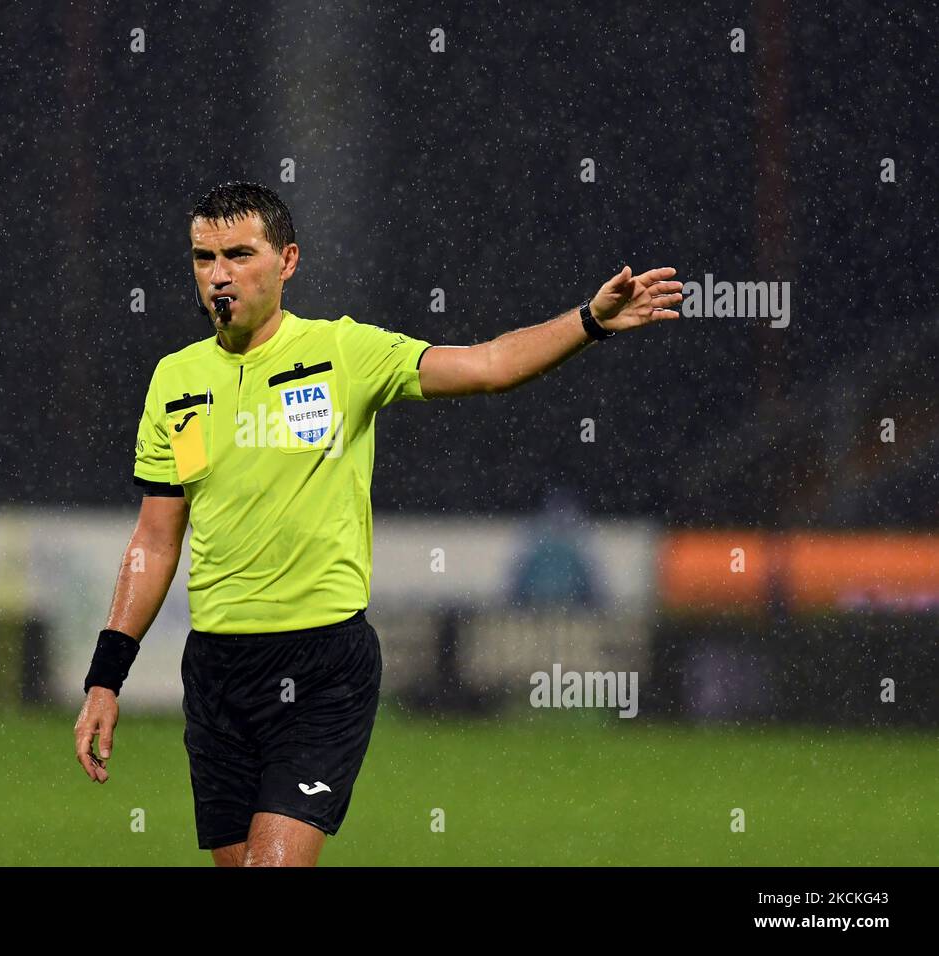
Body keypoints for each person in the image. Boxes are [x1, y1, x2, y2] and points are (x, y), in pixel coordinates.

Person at [75, 181, 682, 866]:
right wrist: (106, 678)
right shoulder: (174, 381)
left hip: (321, 666)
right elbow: (155, 541)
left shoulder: (344, 353)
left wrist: (589, 321)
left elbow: (486, 366)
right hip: (216, 672)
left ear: (288, 261)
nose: (219, 274)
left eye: (240, 254)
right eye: (203, 257)